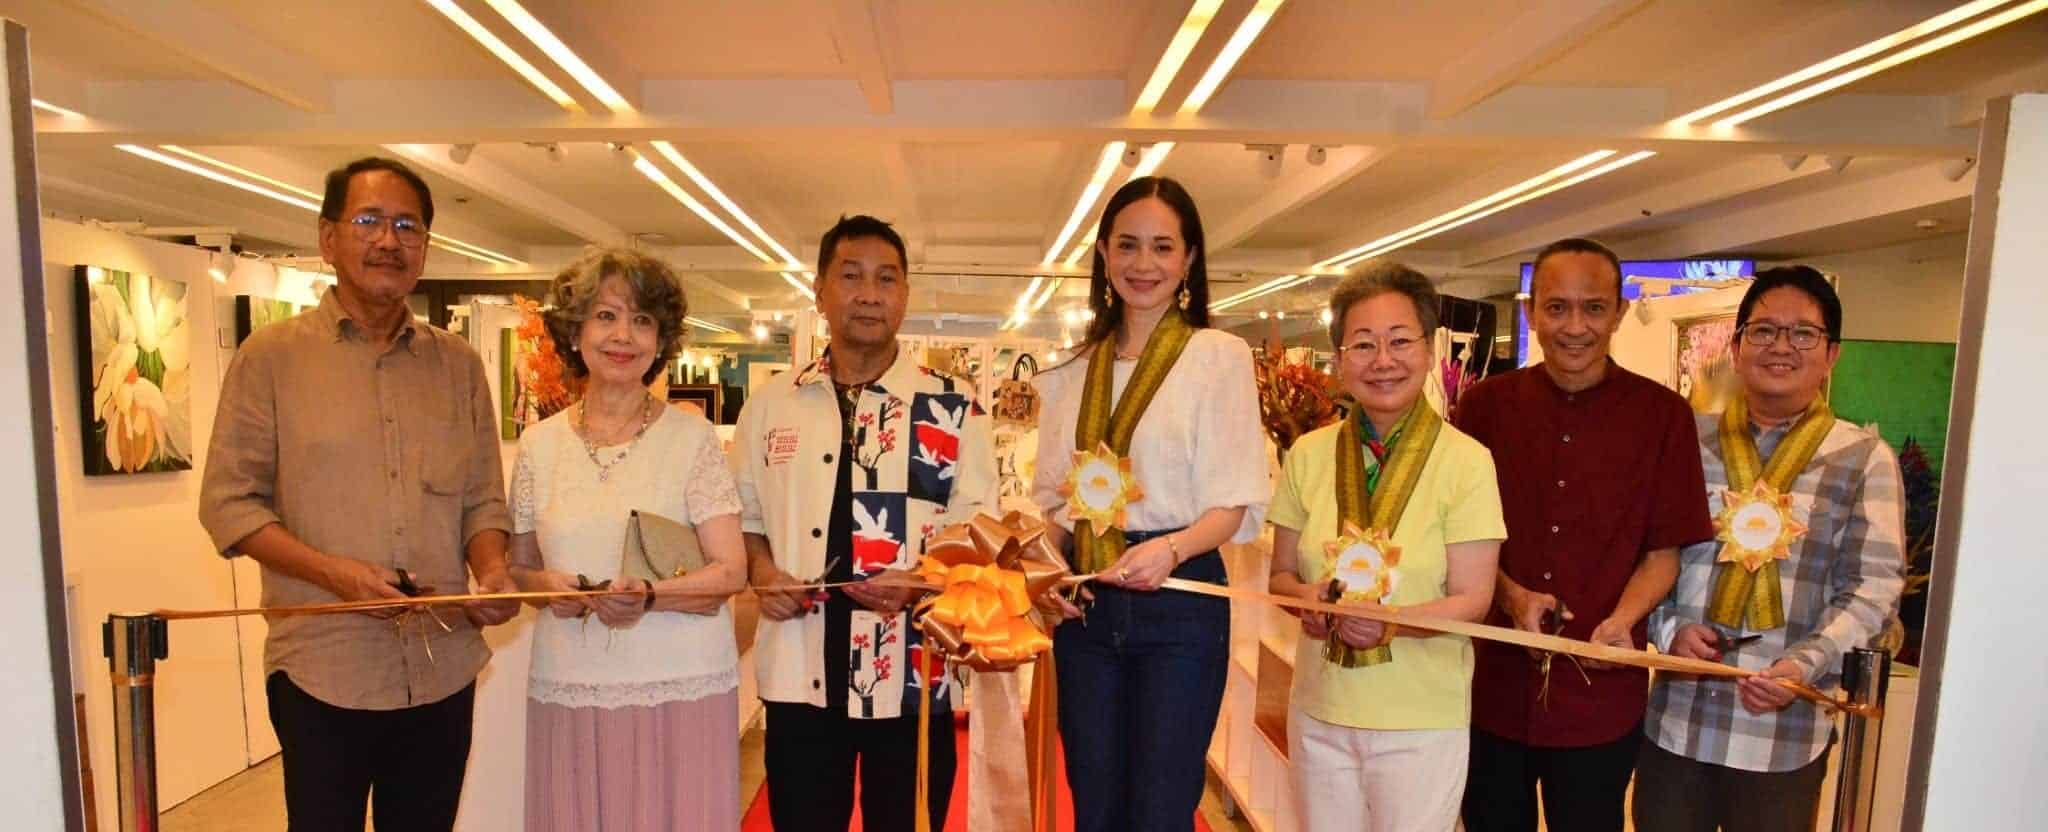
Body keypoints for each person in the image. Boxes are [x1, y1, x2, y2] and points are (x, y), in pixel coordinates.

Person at [198, 157, 520, 831]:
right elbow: (228, 503)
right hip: (323, 668)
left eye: (408, 226)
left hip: (441, 664)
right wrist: (334, 575)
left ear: (425, 246)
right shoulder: (270, 358)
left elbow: (483, 500)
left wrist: (493, 572)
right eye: (368, 220)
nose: (388, 241)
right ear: (328, 238)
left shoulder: (458, 366)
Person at [735, 215, 996, 830]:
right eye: (851, 277)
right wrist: (762, 571)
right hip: (800, 672)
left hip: (913, 671)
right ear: (820, 290)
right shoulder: (771, 405)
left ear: (905, 293)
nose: (869, 294)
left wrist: (923, 577)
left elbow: (978, 527)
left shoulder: (952, 405)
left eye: (886, 279)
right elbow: (744, 516)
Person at [1030, 176, 1271, 832]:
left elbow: (1234, 503)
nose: (1144, 264)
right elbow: (1054, 506)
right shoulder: (1071, 372)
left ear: (1189, 259)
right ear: (1103, 254)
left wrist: (1169, 550)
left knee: (1161, 808)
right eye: (1128, 245)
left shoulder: (1217, 357)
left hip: (1180, 599)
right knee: (1094, 803)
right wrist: (1047, 570)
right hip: (1086, 606)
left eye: (1163, 247)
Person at [1456, 238, 1716, 832]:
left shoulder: (1663, 417)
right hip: (1492, 686)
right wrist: (1510, 596)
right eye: (1557, 308)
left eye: (1594, 308)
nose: (1575, 327)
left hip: (1602, 696)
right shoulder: (1483, 408)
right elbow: (1458, 542)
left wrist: (1624, 619)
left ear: (1619, 312)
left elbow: (1664, 551)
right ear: (1531, 313)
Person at [1635, 266, 1906, 832]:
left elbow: (1874, 588)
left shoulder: (1863, 458)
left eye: (1803, 333)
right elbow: (1646, 556)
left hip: (1784, 734)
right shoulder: (1687, 440)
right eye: (1763, 331)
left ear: (1831, 355)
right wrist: (1669, 629)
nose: (1781, 346)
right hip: (1678, 721)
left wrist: (1805, 665)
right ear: (1736, 348)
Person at [506, 248, 749, 830]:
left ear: (660, 341)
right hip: (570, 681)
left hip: (681, 682)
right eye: (606, 316)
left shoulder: (691, 439)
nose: (623, 336)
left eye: (642, 320)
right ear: (575, 333)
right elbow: (518, 568)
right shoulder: (538, 446)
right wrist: (546, 586)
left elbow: (731, 571)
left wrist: (649, 596)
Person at [1268, 262, 1506, 832]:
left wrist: (1389, 622)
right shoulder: (1309, 455)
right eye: (1363, 344)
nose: (1382, 360)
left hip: (1421, 718)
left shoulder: (1467, 461)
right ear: (1339, 359)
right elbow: (1279, 577)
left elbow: (1474, 598)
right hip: (1321, 710)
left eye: (1400, 341)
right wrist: (1308, 599)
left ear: (1429, 349)